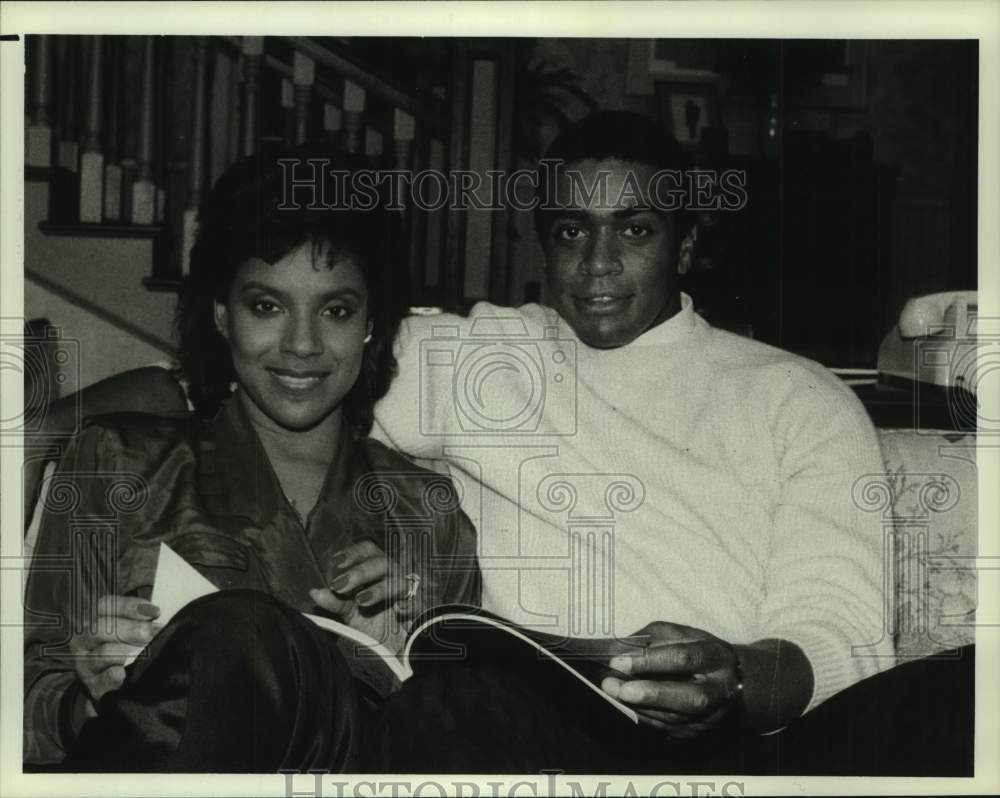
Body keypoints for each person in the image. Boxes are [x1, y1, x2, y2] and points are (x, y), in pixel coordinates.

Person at [24, 112, 974, 775]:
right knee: (459, 694)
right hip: (520, 722)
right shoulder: (474, 356)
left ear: (688, 244)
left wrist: (730, 674)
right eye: (570, 230)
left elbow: (845, 640)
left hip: (735, 746)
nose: (597, 265)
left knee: (964, 698)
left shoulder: (795, 398)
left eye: (633, 230)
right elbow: (242, 370)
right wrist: (32, 436)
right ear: (541, 243)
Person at [22, 147, 480, 772]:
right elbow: (23, 718)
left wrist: (395, 672)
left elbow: (462, 757)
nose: (301, 344)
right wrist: (90, 698)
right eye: (266, 306)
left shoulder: (427, 514)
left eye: (336, 310)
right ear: (220, 313)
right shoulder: (118, 464)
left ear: (372, 322)